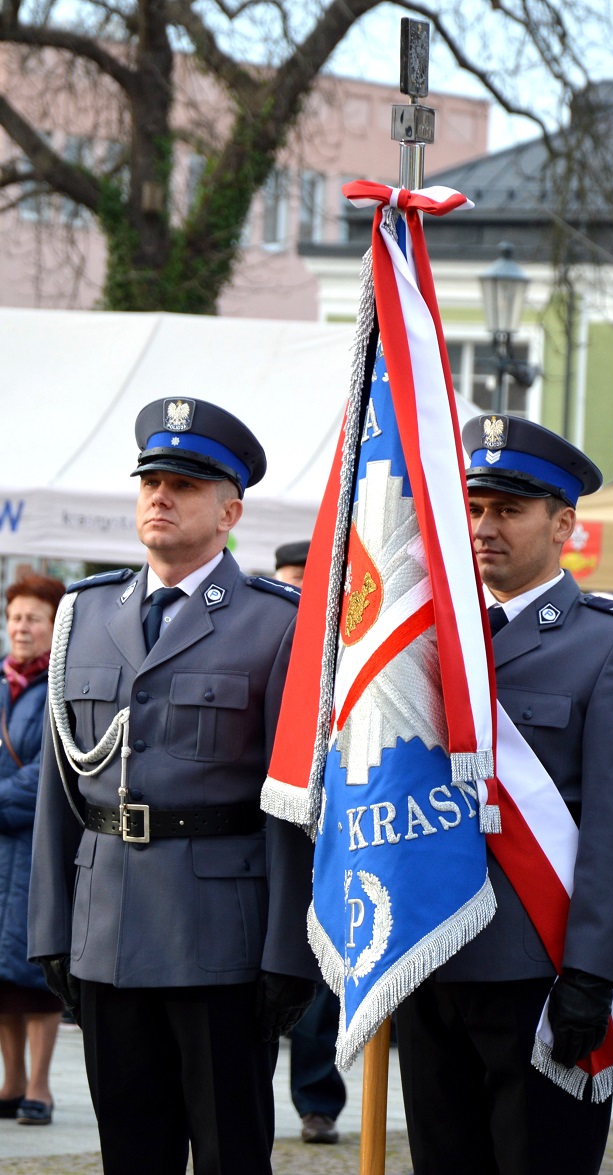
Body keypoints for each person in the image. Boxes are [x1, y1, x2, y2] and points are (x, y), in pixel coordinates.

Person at [27, 398, 319, 1175]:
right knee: (131, 1150)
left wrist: (289, 947)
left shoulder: (277, 623)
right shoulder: (84, 615)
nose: (160, 496)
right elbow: (65, 784)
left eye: (184, 484)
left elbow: (292, 803)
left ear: (230, 510)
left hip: (220, 937)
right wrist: (53, 928)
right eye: (151, 480)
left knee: (230, 1151)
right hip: (109, 927)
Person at [394, 414, 613, 1175]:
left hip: (541, 971)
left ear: (563, 524)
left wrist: (591, 972)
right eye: (475, 507)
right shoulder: (421, 635)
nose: (486, 525)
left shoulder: (612, 643)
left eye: (509, 509)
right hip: (430, 954)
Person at [270, 537, 347, 1145]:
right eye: (287, 578)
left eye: (307, 578)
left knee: (319, 989)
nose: (297, 589)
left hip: (324, 840)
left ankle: (317, 1101)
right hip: (256, 841)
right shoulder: (255, 637)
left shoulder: (344, 646)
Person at [0, 575, 66, 1126]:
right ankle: (11, 1080)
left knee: (35, 972)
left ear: (53, 625)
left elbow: (51, 772)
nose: (22, 627)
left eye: (33, 619)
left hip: (35, 845)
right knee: (0, 975)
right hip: (0, 849)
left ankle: (40, 1087)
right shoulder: (0, 684)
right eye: (16, 617)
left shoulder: (62, 685)